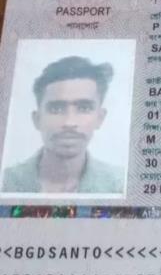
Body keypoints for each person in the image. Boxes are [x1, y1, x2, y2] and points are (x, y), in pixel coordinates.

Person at [1, 55, 124, 194]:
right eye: (56, 109)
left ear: (100, 118)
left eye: (84, 108)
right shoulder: (5, 182)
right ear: (37, 119)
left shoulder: (120, 186)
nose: (69, 122)